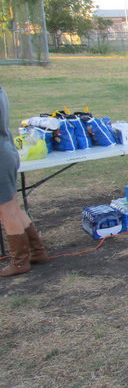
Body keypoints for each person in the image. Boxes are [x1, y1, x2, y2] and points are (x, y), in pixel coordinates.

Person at [0, 87, 48, 277]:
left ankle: (20, 262)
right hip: (6, 151)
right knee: (13, 208)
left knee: (7, 211)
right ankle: (37, 252)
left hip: (2, 156)